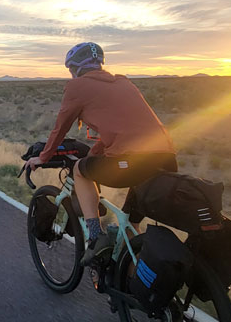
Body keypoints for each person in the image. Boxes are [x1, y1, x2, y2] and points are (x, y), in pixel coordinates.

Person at [23, 42, 177, 279]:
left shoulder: (78, 86)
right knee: (131, 226)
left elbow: (60, 129)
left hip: (133, 162)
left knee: (80, 170)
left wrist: (41, 157)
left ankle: (95, 237)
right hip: (166, 159)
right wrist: (95, 153)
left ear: (75, 68)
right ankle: (129, 284)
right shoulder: (124, 82)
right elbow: (118, 132)